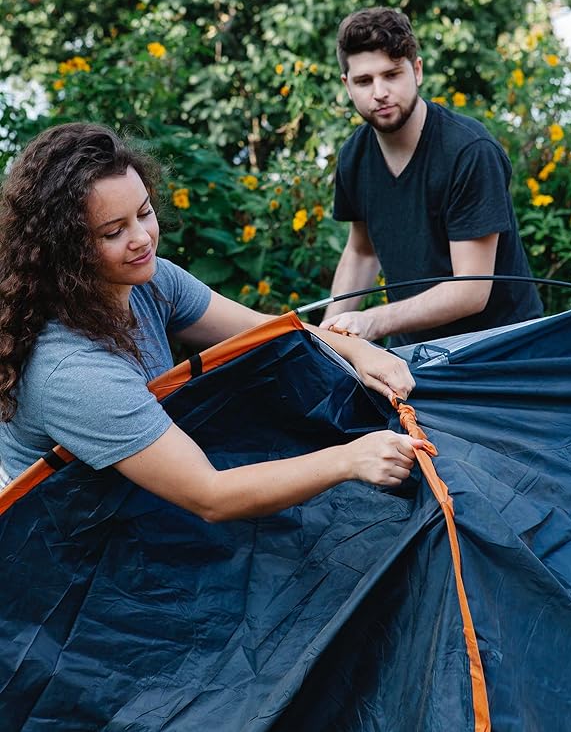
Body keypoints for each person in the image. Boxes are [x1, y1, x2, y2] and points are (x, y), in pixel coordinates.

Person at [0, 123, 420, 521]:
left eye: (144, 213)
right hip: (74, 548)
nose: (142, 238)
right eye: (113, 232)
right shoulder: (75, 374)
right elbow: (210, 495)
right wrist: (350, 459)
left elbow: (266, 332)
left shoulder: (149, 282)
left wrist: (356, 349)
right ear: (64, 249)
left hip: (137, 499)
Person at [320, 7, 543, 347]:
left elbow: (471, 290)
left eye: (392, 75)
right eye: (364, 81)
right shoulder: (354, 155)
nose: (379, 92)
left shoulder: (469, 151)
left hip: (498, 350)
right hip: (414, 352)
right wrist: (325, 337)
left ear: (417, 71)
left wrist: (372, 321)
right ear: (347, 86)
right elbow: (362, 252)